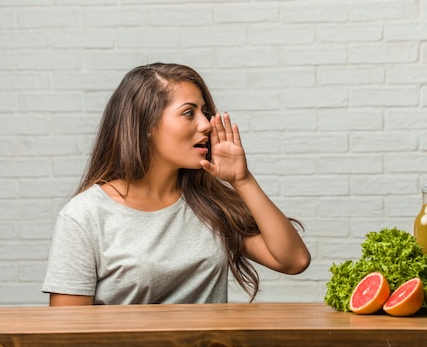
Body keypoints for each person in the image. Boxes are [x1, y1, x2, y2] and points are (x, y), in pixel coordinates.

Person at [42, 63, 310, 306]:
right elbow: (67, 330)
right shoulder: (84, 215)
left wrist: (243, 180)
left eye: (205, 112)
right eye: (188, 113)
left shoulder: (209, 204)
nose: (206, 124)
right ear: (146, 124)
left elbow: (293, 260)